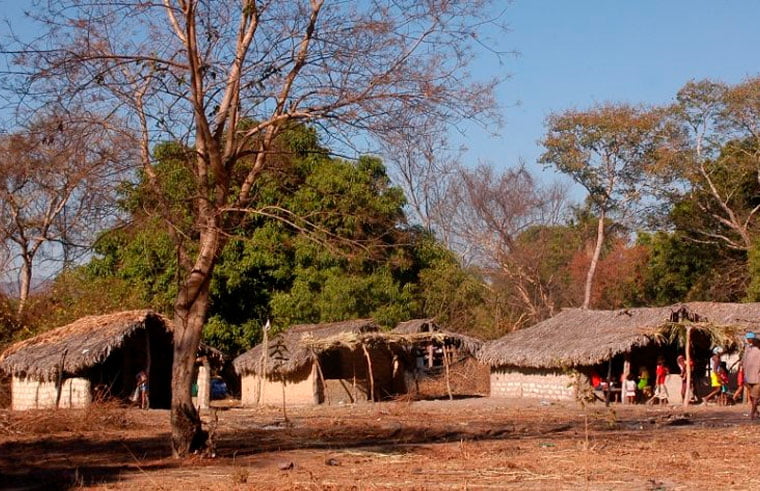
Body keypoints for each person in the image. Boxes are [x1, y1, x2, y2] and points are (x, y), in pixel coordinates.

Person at [742, 332, 760, 419]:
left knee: (755, 397)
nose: (749, 341)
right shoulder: (748, 349)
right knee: (753, 397)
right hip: (749, 377)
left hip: (757, 378)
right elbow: (744, 363)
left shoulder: (756, 350)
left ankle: (752, 415)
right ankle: (756, 412)